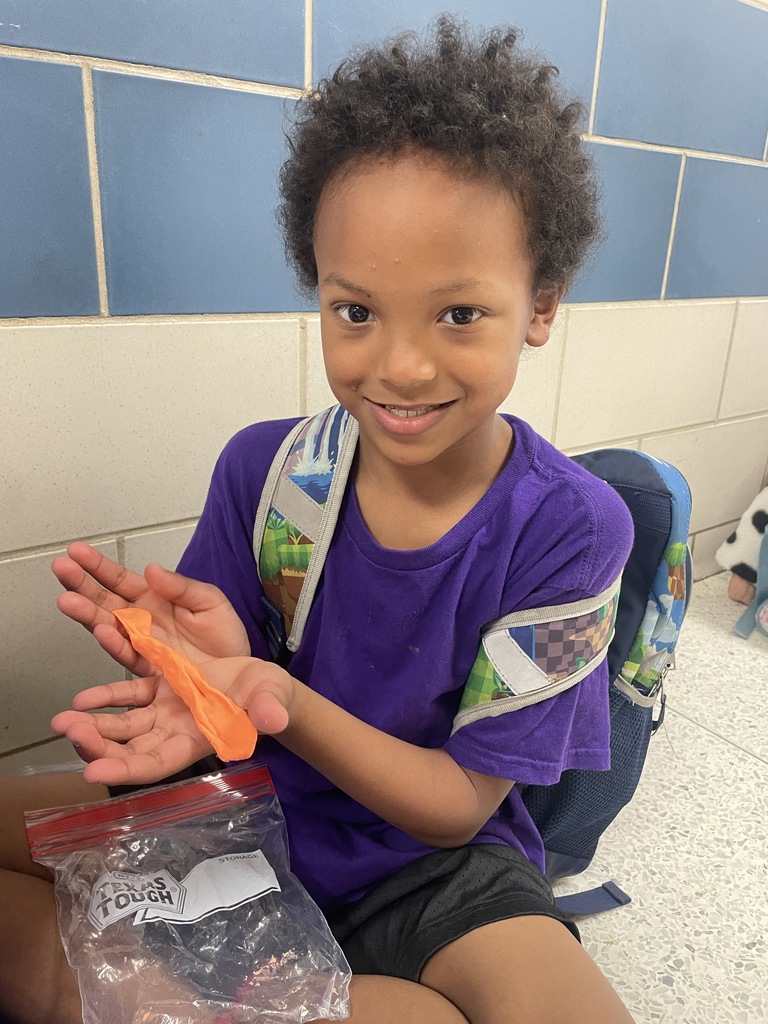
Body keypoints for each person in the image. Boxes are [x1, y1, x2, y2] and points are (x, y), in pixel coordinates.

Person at [0, 18, 637, 1024]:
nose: (400, 365)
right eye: (356, 310)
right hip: (244, 822)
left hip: (435, 870)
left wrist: (274, 696)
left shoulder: (571, 531)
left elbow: (456, 805)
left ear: (543, 303)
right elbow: (217, 721)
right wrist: (183, 669)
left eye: (459, 314)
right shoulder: (279, 477)